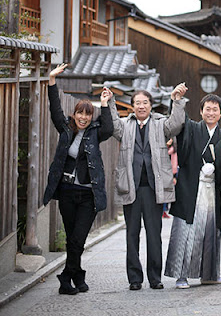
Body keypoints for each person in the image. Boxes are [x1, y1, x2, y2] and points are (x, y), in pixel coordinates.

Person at [109, 83, 187, 291]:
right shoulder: (125, 125)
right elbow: (112, 125)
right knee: (131, 235)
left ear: (151, 105)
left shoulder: (161, 124)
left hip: (154, 189)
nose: (141, 106)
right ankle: (134, 278)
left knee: (154, 235)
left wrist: (176, 101)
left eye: (145, 103)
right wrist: (109, 103)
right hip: (131, 188)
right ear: (132, 106)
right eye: (137, 103)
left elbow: (177, 124)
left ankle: (155, 278)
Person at [43, 63, 113, 295]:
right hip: (66, 193)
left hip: (88, 195)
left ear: (91, 116)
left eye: (87, 114)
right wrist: (52, 81)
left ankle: (65, 278)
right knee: (73, 238)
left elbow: (109, 127)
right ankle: (79, 276)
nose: (83, 117)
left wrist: (104, 104)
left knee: (78, 238)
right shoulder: (65, 129)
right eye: (79, 113)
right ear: (74, 114)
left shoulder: (95, 133)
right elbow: (54, 108)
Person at [165, 93, 221, 289]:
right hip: (190, 187)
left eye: (214, 109)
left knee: (211, 231)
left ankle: (209, 275)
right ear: (201, 112)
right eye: (207, 109)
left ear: (220, 113)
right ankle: (181, 276)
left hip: (211, 189)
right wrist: (176, 101)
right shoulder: (191, 128)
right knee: (185, 231)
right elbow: (177, 120)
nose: (211, 113)